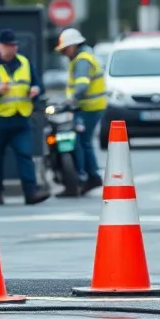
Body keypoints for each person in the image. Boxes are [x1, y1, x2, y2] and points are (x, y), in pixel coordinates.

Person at [0, 28, 51, 206]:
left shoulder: (25, 63)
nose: (11, 50)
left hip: (20, 116)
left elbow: (37, 84)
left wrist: (36, 91)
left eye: (14, 46)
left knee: (25, 155)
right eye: (8, 46)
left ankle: (31, 192)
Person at [55, 28, 107, 195]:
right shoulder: (83, 57)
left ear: (73, 46)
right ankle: (88, 176)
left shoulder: (82, 60)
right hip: (89, 106)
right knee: (84, 141)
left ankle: (88, 176)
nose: (64, 53)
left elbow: (82, 85)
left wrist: (69, 100)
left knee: (82, 141)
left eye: (65, 49)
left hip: (89, 107)